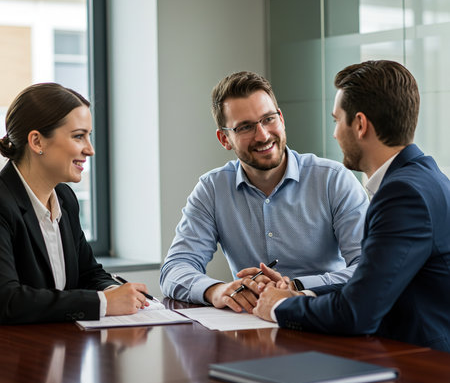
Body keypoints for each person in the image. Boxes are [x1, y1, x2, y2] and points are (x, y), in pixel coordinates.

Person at [253, 60, 450, 352]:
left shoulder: (402, 194)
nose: (334, 134)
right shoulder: (425, 178)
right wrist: (299, 292)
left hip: (421, 371)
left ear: (359, 124)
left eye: (336, 120)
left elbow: (357, 313)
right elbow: (371, 282)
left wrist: (278, 308)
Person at [160, 71, 368, 313]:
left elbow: (367, 268)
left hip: (324, 318)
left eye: (268, 119)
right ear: (224, 139)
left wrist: (295, 286)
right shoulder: (212, 189)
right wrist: (217, 290)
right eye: (245, 127)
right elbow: (175, 268)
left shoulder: (333, 180)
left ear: (281, 118)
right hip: (253, 328)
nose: (263, 135)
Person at [0, 83, 150, 324]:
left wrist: (113, 291)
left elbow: (88, 273)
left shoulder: (65, 199)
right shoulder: (3, 203)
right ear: (37, 142)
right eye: (79, 136)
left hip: (61, 348)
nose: (90, 150)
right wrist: (102, 303)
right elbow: (7, 300)